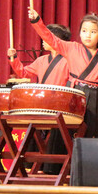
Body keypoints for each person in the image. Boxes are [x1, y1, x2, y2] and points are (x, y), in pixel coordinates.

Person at [28, 8, 98, 138]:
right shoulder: (72, 48)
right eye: (84, 31)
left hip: (96, 100)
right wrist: (37, 21)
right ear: (80, 33)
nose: (88, 35)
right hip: (75, 94)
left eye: (93, 32)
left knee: (92, 136)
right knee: (69, 136)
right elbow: (51, 38)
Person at [7, 24, 72, 174]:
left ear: (55, 40)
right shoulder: (42, 60)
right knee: (32, 125)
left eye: (46, 37)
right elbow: (23, 73)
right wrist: (13, 57)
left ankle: (49, 167)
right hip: (42, 105)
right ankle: (31, 164)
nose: (42, 40)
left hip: (59, 105)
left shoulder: (68, 61)